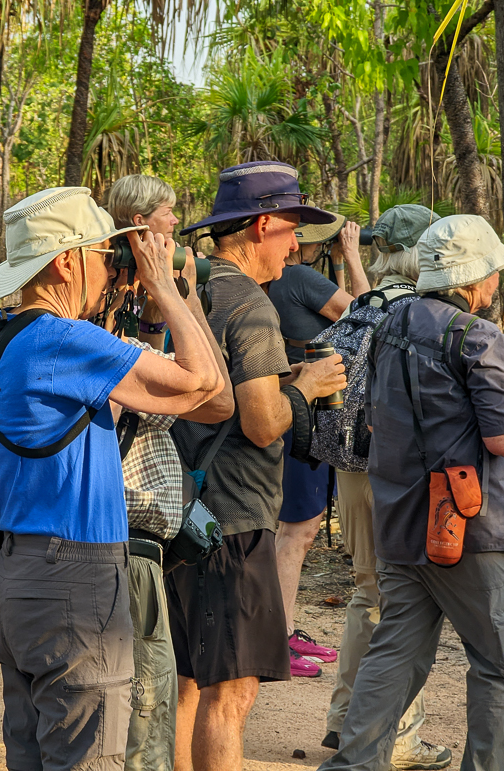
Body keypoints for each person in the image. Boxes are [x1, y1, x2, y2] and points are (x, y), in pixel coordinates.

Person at [0, 186, 225, 771]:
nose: (110, 267)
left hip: (18, 576)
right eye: (101, 253)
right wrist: (166, 285)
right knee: (93, 757)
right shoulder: (66, 341)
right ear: (66, 261)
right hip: (77, 581)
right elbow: (206, 382)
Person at [319, 214, 504, 771]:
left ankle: (352, 764)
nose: (495, 282)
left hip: (400, 520)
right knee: (501, 667)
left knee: (394, 654)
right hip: (472, 528)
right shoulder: (480, 336)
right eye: (493, 271)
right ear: (473, 277)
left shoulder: (387, 324)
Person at [167, 161, 347, 771]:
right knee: (233, 689)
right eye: (291, 229)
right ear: (262, 224)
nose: (296, 245)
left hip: (187, 506)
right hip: (235, 517)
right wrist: (311, 385)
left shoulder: (199, 289)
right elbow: (262, 422)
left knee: (191, 678)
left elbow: (226, 392)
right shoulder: (252, 305)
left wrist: (285, 380)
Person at [105, 174, 235, 771]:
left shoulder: (131, 307)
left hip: (137, 540)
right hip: (119, 538)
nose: (175, 231)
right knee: (140, 708)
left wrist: (165, 300)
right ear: (137, 227)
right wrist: (174, 293)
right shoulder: (103, 309)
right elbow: (217, 398)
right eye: (165, 219)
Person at [322, 205, 452, 770]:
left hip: (349, 468)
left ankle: (344, 720)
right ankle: (397, 737)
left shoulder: (360, 306)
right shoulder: (423, 315)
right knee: (404, 603)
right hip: (397, 474)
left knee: (366, 589)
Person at [267, 213, 369, 676]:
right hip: (305, 414)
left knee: (290, 529)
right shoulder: (301, 277)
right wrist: (353, 256)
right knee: (298, 531)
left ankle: (281, 630)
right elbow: (369, 316)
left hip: (285, 406)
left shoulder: (279, 281)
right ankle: (277, 640)